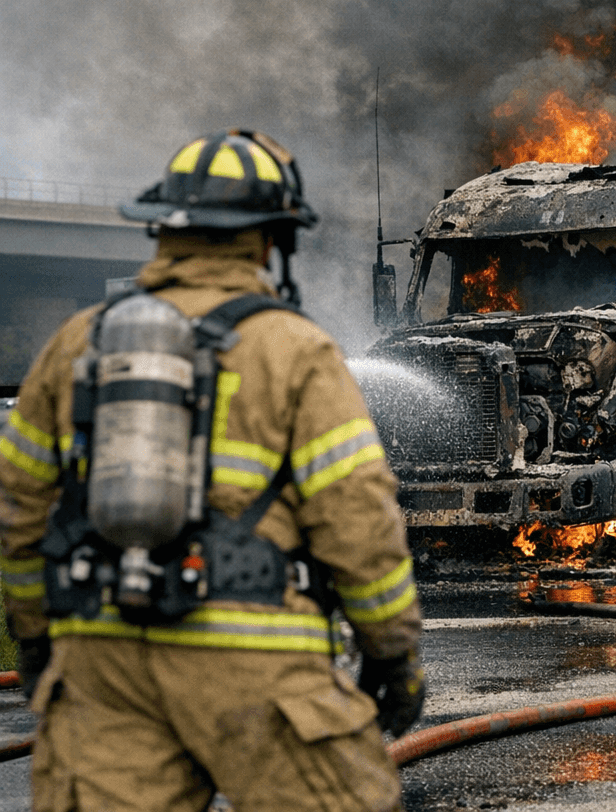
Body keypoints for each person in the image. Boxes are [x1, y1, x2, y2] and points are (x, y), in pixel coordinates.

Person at [0, 129, 425, 812]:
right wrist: (392, 655)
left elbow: (19, 511)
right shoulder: (296, 349)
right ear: (269, 239)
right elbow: (359, 522)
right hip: (256, 658)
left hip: (104, 661)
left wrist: (36, 637)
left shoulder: (77, 343)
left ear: (165, 231)